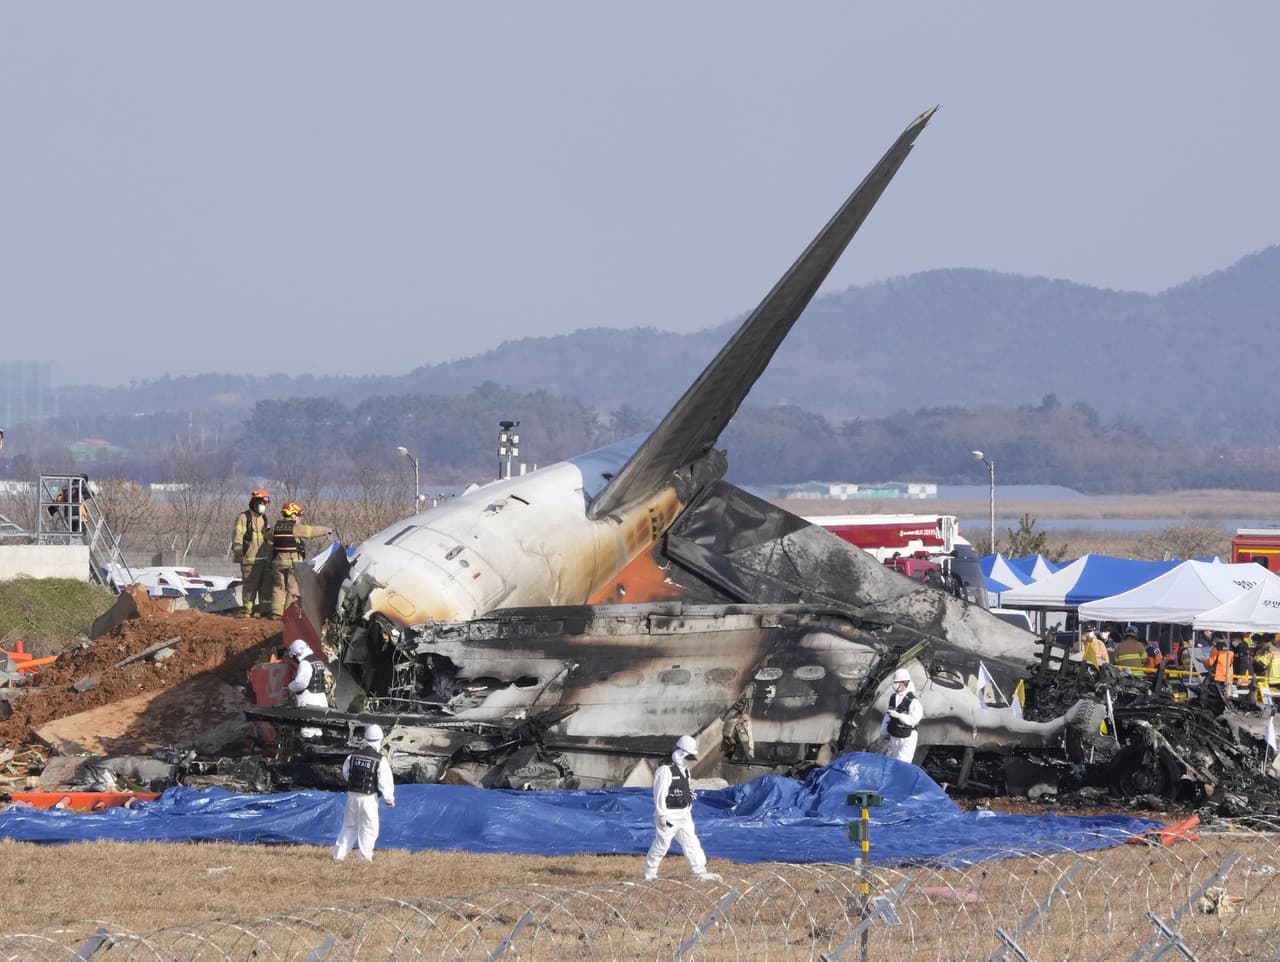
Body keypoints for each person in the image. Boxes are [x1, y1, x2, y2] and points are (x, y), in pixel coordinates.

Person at [642, 735, 721, 882]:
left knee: (691, 842)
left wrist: (688, 797)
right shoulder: (665, 770)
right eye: (688, 756)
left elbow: (685, 787)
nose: (689, 761)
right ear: (680, 753)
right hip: (669, 815)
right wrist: (661, 814)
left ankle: (699, 872)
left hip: (684, 814)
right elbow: (659, 794)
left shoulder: (685, 771)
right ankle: (649, 874)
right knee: (662, 845)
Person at [333, 723, 395, 862]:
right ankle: (365, 858)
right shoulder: (380, 759)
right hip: (368, 798)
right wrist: (389, 799)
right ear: (380, 739)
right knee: (369, 828)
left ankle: (338, 856)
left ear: (365, 738)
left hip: (352, 796)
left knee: (349, 825)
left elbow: (346, 773)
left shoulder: (352, 756)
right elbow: (385, 781)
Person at [270, 502, 331, 617]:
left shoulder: (275, 528)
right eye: (298, 515)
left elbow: (268, 538)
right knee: (292, 589)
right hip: (292, 564)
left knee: (279, 587)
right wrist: (326, 530)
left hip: (278, 563)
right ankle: (289, 614)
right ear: (292, 515)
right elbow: (311, 531)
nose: (299, 518)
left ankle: (276, 613)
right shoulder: (295, 528)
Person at [231, 489, 273, 618]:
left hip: (264, 560)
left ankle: (264, 611)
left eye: (265, 503)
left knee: (266, 587)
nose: (263, 506)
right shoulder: (244, 517)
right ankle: (247, 611)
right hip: (249, 560)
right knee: (250, 587)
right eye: (261, 503)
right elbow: (237, 537)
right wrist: (239, 554)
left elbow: (268, 538)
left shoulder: (264, 518)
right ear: (255, 502)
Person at [286, 638, 331, 739]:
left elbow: (300, 683)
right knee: (317, 729)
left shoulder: (305, 663)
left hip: (309, 700)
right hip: (321, 699)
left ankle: (309, 752)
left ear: (298, 652)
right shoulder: (317, 661)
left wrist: (290, 686)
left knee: (308, 731)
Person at [879, 668, 924, 763]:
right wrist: (882, 733)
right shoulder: (893, 698)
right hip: (895, 735)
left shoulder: (913, 701)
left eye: (897, 683)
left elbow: (914, 720)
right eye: (894, 683)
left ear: (905, 683)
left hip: (907, 738)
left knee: (902, 763)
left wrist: (899, 716)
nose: (894, 685)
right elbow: (888, 716)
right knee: (894, 761)